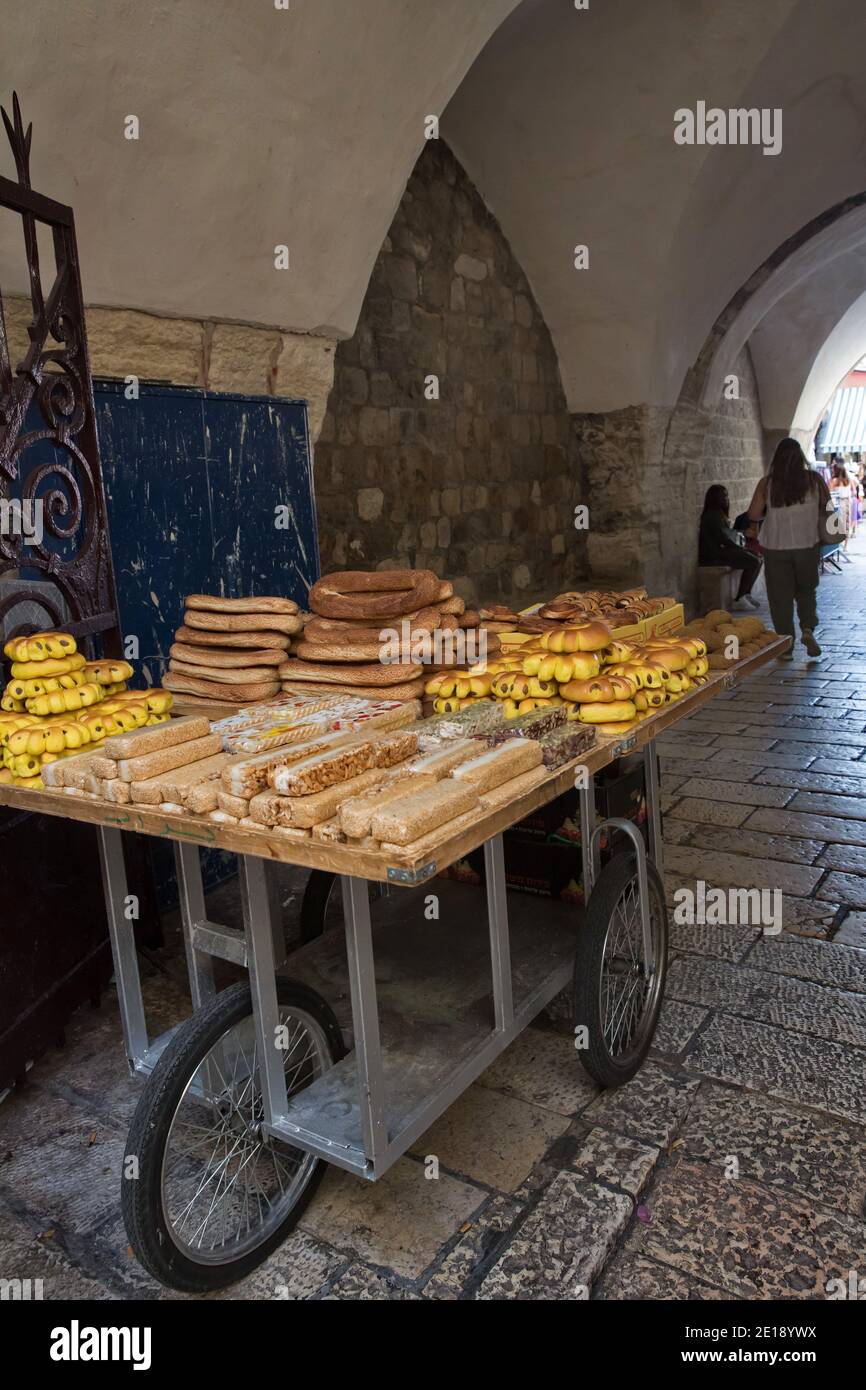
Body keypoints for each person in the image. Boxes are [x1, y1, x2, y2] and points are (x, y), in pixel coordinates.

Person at [747, 437, 832, 659]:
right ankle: (807, 628)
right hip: (807, 545)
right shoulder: (814, 480)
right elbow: (828, 505)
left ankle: (785, 647)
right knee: (806, 591)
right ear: (800, 458)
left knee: (779, 597)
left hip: (775, 547)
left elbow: (753, 514)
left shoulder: (767, 484)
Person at [699, 484, 762, 608]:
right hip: (714, 554)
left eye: (727, 496)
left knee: (758, 557)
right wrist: (741, 548)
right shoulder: (713, 515)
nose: (727, 499)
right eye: (724, 496)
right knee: (754, 560)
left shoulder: (718, 514)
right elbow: (723, 538)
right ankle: (740, 598)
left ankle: (746, 593)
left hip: (720, 550)